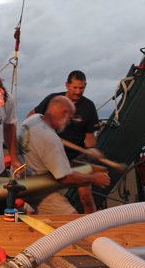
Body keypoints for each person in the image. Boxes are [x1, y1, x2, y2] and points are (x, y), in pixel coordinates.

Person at [17, 96, 110, 214]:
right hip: (36, 191)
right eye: (69, 118)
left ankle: (32, 211)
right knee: (73, 222)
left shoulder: (34, 119)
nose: (68, 123)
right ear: (62, 113)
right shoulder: (50, 139)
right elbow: (65, 178)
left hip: (21, 180)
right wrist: (94, 178)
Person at [27, 70, 103, 213]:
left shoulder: (89, 106)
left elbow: (89, 136)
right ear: (67, 85)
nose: (78, 91)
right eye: (75, 87)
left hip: (75, 158)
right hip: (50, 158)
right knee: (38, 196)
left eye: (81, 88)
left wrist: (91, 149)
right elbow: (30, 118)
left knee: (86, 196)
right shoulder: (53, 100)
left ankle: (94, 226)